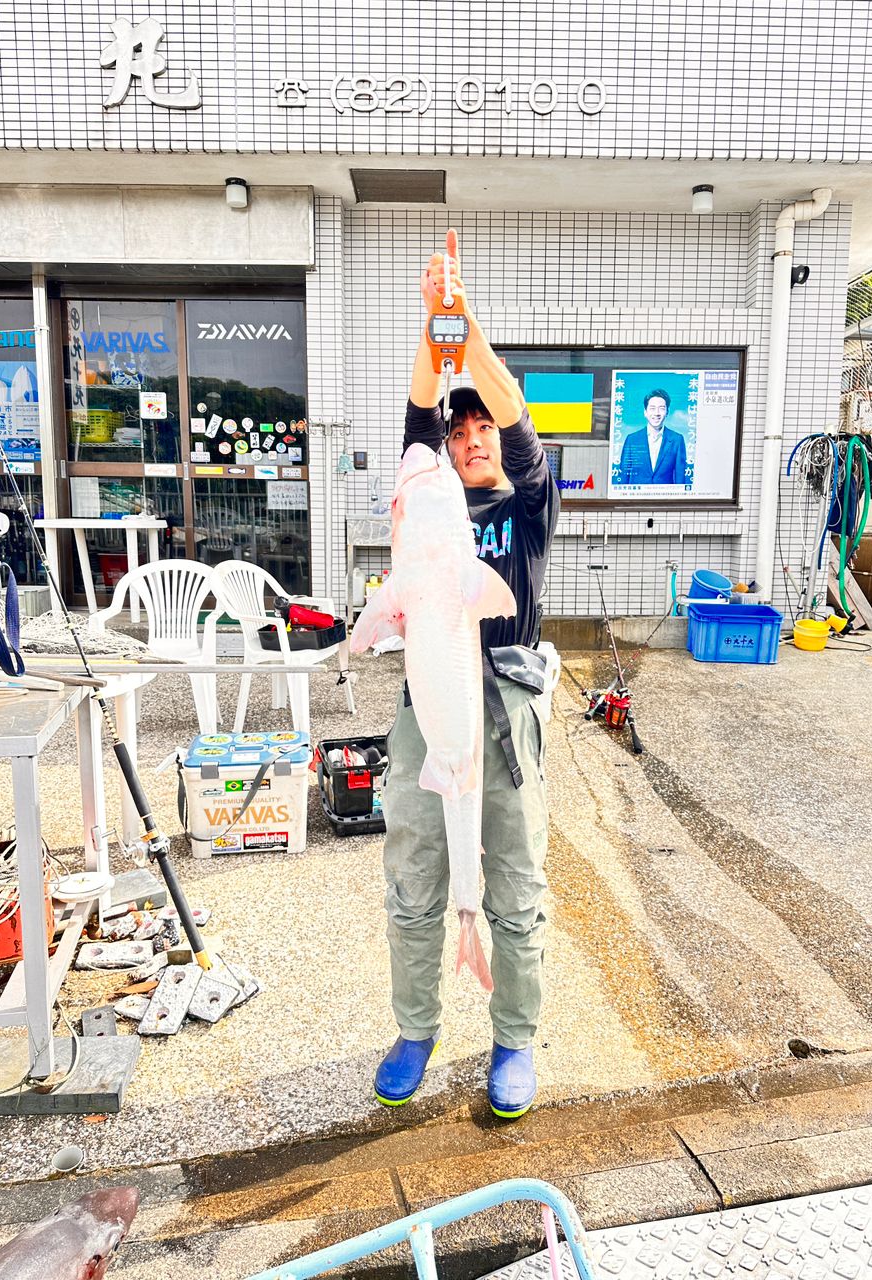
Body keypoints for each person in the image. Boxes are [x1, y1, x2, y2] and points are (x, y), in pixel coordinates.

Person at [374, 229, 560, 1120]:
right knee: (413, 870)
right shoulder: (425, 508)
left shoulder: (527, 508)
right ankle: (417, 1025)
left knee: (516, 882)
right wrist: (430, 319)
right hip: (427, 708)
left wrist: (464, 319)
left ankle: (514, 1036)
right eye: (460, 431)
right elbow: (416, 416)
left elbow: (514, 412)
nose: (474, 437)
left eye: (484, 426)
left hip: (507, 713)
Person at [617, 387, 688, 485]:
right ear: (645, 412)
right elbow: (624, 476)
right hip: (637, 498)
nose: (657, 413)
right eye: (652, 408)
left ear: (667, 412)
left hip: (665, 498)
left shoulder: (677, 440)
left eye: (661, 408)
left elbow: (680, 479)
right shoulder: (632, 440)